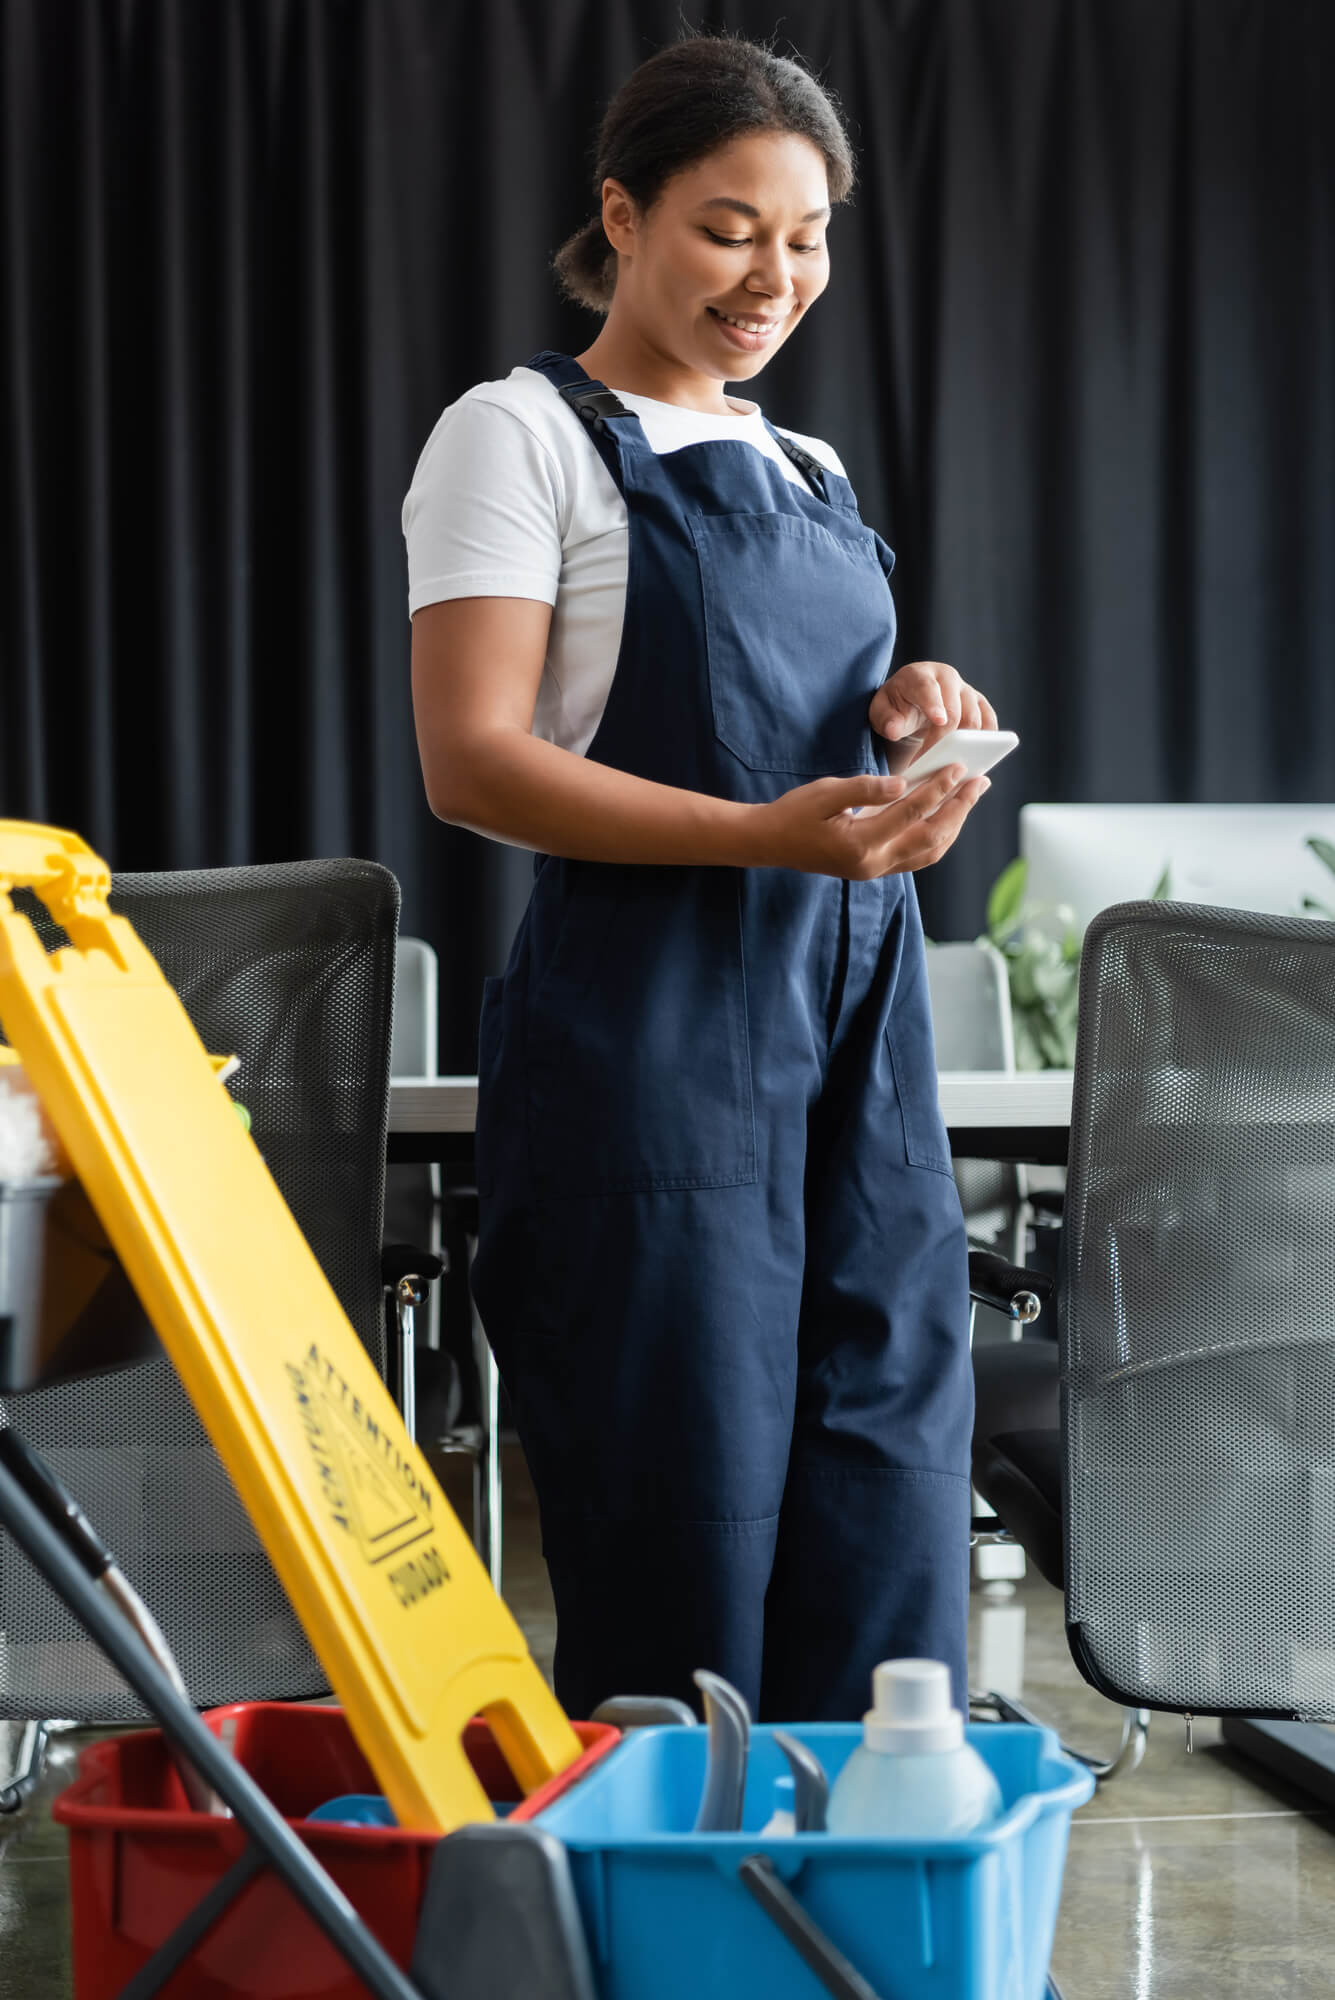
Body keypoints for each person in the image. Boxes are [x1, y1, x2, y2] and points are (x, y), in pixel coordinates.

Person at [404, 33, 998, 1723]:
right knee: (688, 1514)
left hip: (856, 1023)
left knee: (886, 1484)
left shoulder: (807, 467)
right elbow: (475, 760)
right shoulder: (518, 438)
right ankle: (686, 1937)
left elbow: (808, 732)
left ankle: (872, 1929)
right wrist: (756, 835)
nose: (774, 276)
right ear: (626, 214)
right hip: (647, 1041)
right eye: (731, 228)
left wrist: (909, 714)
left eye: (806, 238)